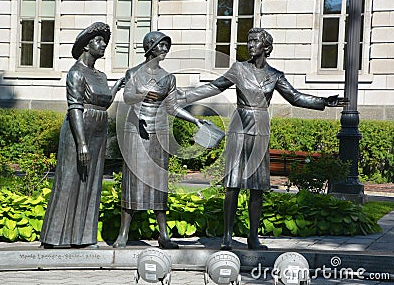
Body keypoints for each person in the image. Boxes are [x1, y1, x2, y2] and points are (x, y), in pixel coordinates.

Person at [178, 28, 348, 250]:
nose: (250, 45)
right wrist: (183, 95)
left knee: (257, 186)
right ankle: (227, 237)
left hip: (260, 128)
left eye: (255, 41)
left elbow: (295, 97)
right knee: (233, 183)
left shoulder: (275, 75)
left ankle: (253, 237)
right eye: (248, 40)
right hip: (239, 126)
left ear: (266, 48)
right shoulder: (239, 69)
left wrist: (324, 102)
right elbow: (214, 87)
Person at [113, 31, 207, 249]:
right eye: (161, 45)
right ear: (150, 47)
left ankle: (163, 235)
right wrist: (143, 98)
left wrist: (195, 120)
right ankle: (123, 233)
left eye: (167, 46)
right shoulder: (134, 73)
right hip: (136, 130)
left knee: (158, 182)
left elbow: (173, 107)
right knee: (132, 181)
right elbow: (127, 97)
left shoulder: (168, 78)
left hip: (159, 133)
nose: (165, 49)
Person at [40, 22, 124, 249]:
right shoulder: (76, 73)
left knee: (92, 183)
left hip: (98, 129)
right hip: (80, 130)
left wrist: (117, 86)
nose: (103, 45)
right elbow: (75, 107)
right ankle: (56, 238)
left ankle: (84, 237)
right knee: (70, 180)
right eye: (98, 41)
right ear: (87, 46)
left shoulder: (100, 75)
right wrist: (82, 145)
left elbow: (104, 102)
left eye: (104, 41)